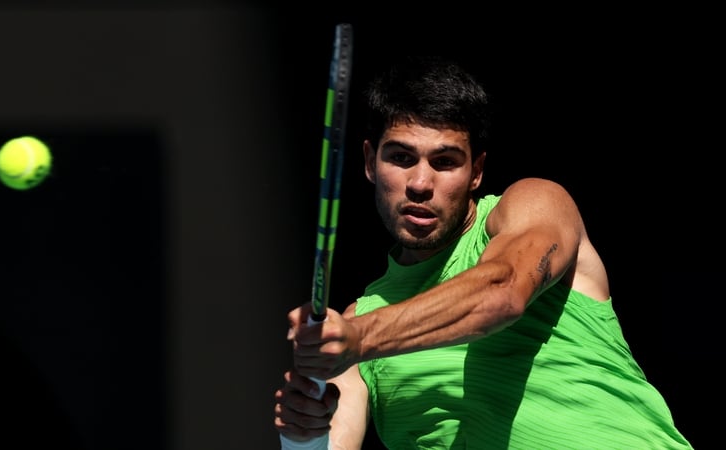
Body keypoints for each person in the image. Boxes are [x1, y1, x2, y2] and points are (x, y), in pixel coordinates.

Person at [273, 55, 692, 449]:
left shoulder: (535, 205)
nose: (420, 183)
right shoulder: (354, 328)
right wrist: (301, 431)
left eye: (445, 162)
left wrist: (361, 338)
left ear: (476, 172)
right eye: (401, 157)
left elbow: (503, 293)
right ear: (370, 162)